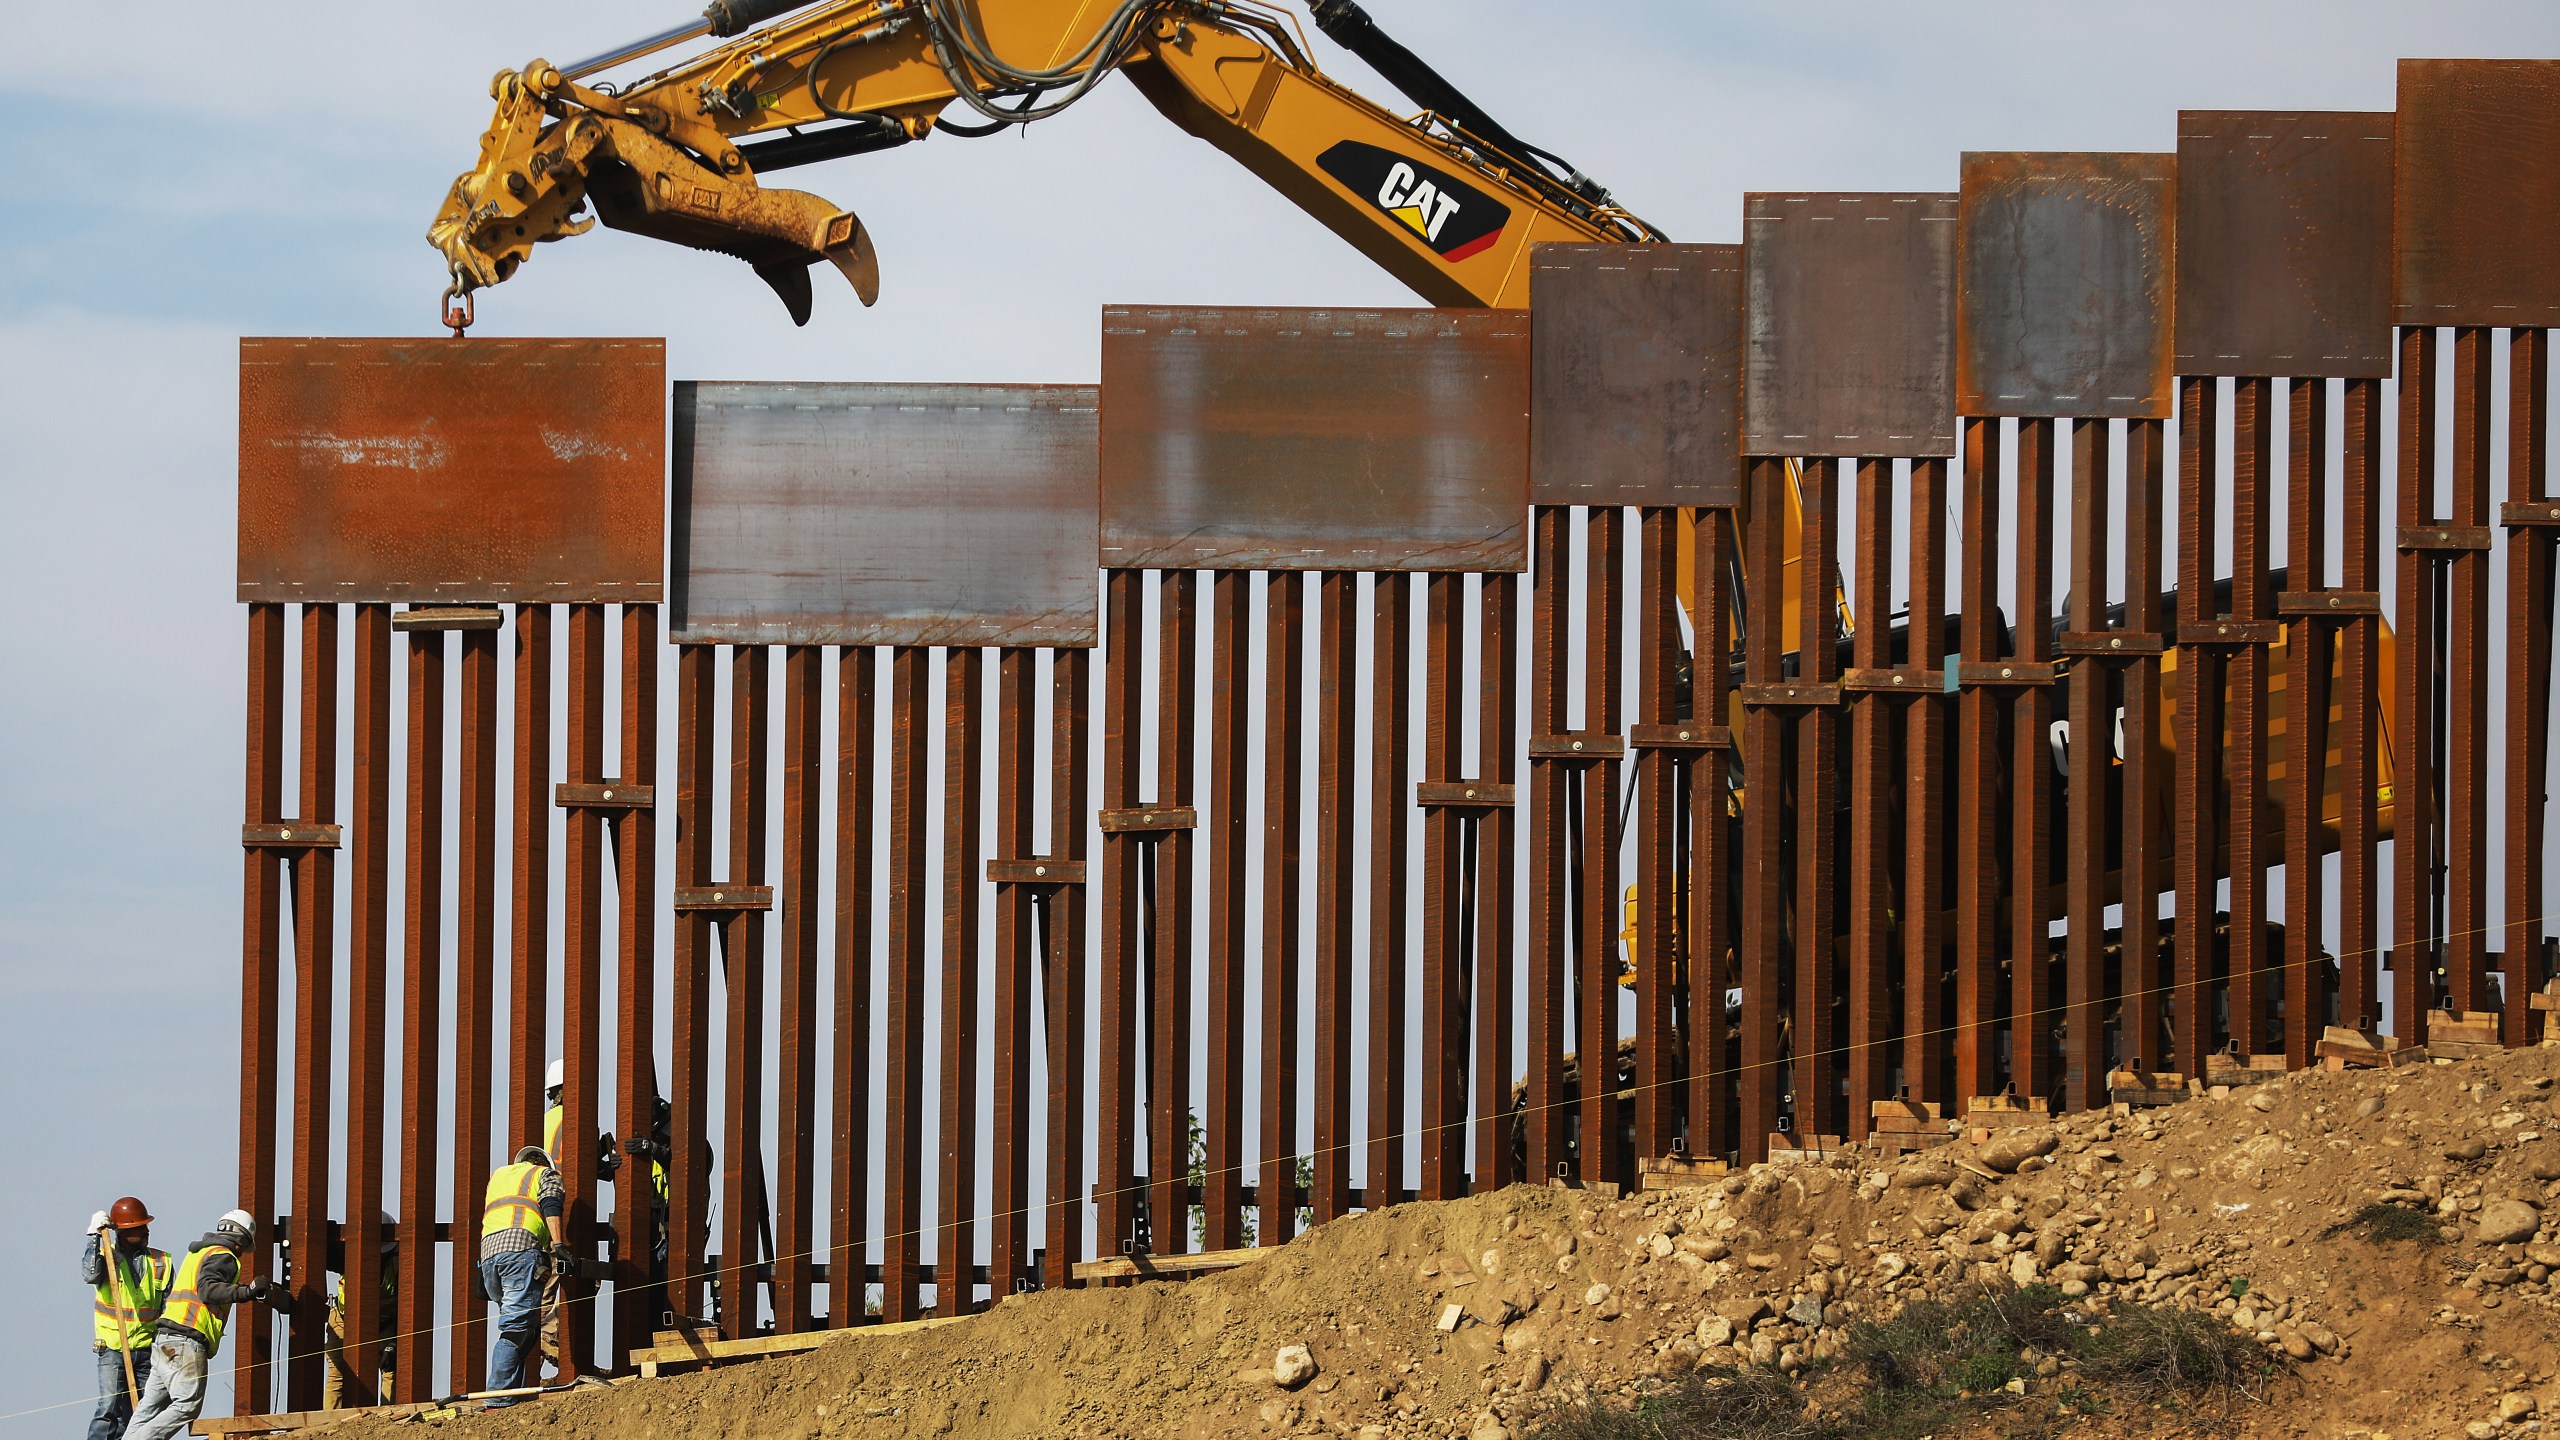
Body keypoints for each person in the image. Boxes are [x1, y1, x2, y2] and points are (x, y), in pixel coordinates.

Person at [125, 1210, 292, 1440]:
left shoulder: (201, 1252)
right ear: (242, 1240)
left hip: (165, 1339)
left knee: (147, 1410)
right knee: (187, 1405)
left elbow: (204, 1284)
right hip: (186, 1341)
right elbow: (208, 1289)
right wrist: (248, 1291)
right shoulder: (225, 1256)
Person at [479, 1145, 569, 1405]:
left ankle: (512, 1395)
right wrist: (558, 1244)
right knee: (517, 1331)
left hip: (489, 1258)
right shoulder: (544, 1174)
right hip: (520, 1253)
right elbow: (551, 1204)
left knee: (525, 1328)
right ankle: (497, 1399)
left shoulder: (500, 1177)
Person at [82, 1197, 173, 1440]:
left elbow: (168, 1305)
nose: (147, 1231)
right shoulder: (107, 1258)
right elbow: (90, 1275)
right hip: (112, 1347)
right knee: (109, 1407)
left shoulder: (161, 1261)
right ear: (124, 1231)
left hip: (146, 1348)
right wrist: (94, 1237)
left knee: (147, 1408)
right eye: (140, 1227)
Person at [320, 1214, 397, 1410]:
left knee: (390, 1370)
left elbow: (401, 1305)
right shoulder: (348, 1254)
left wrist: (391, 1342)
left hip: (384, 1324)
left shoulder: (397, 1264)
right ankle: (329, 1425)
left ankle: (388, 1421)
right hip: (343, 1320)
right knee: (337, 1373)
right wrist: (328, 1231)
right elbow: (326, 1253)